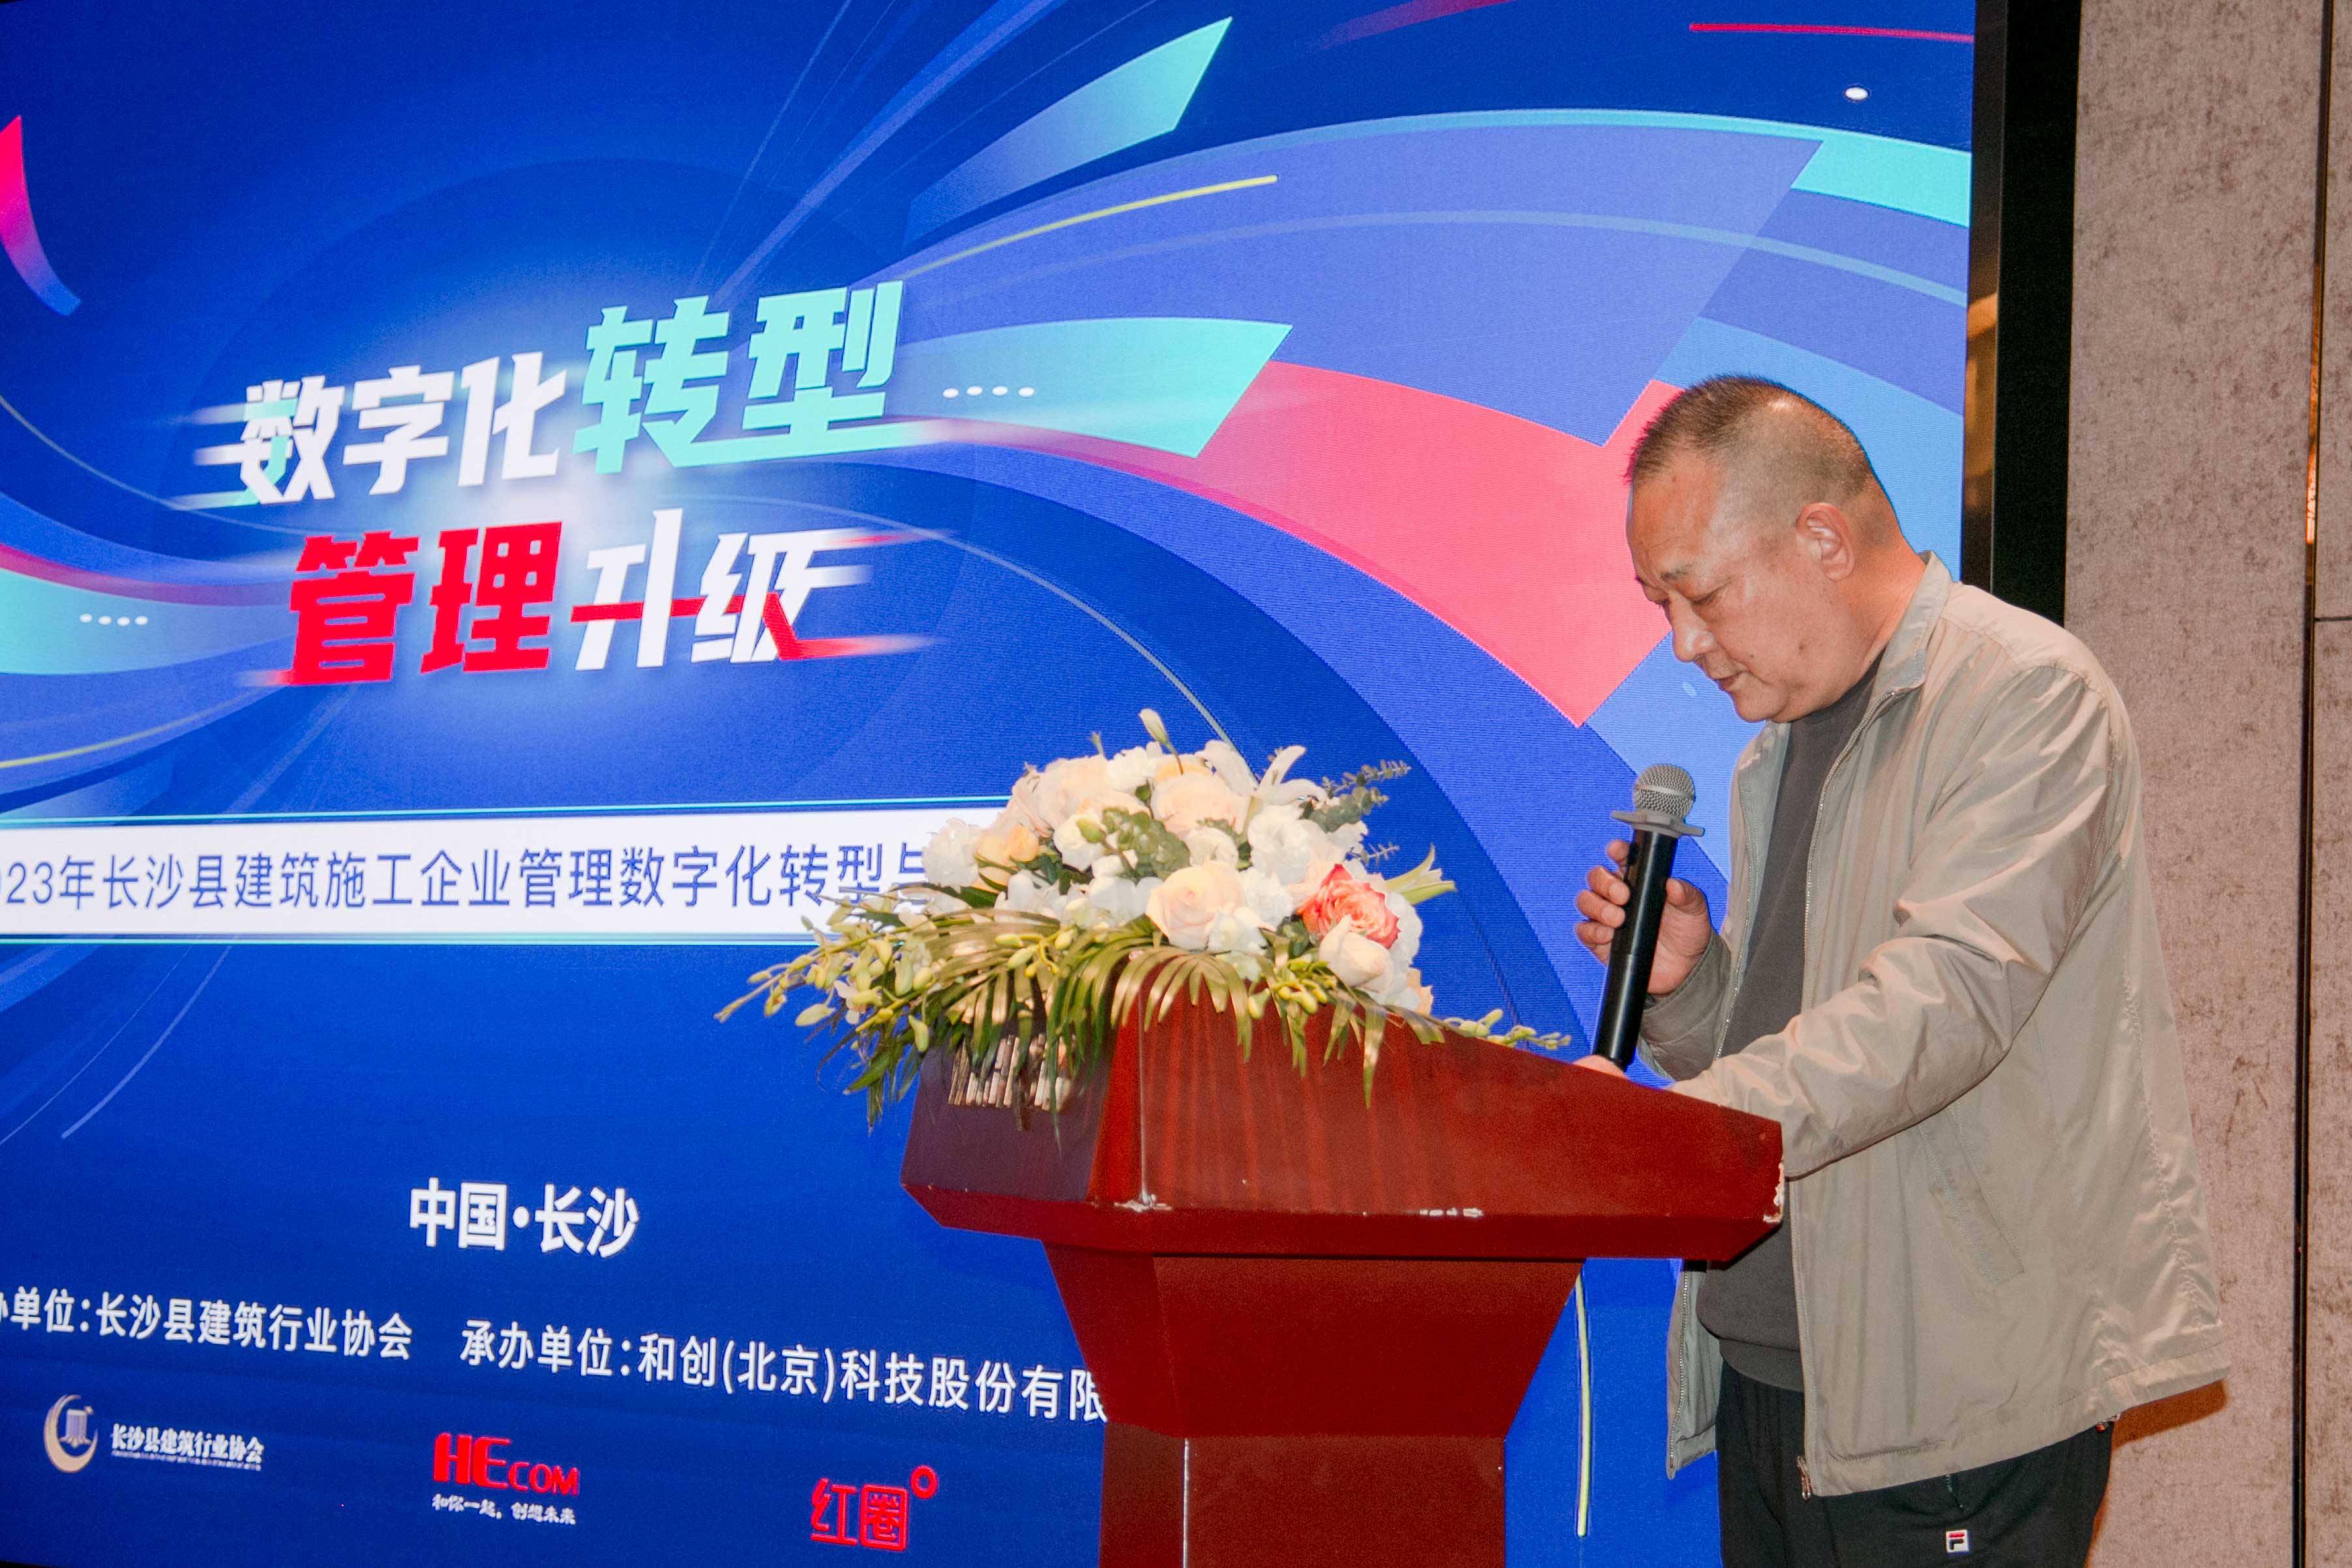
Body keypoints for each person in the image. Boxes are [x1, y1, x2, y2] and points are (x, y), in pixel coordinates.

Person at [1570, 376, 2226, 1566]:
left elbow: (1943, 1005)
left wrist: (1669, 1136)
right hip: (1779, 1372)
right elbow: (1805, 1043)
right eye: (1660, 604)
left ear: (1822, 536)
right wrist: (1697, 985)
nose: (1684, 643)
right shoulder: (1778, 747)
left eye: (1701, 595)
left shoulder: (2024, 692)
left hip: (1949, 1403)